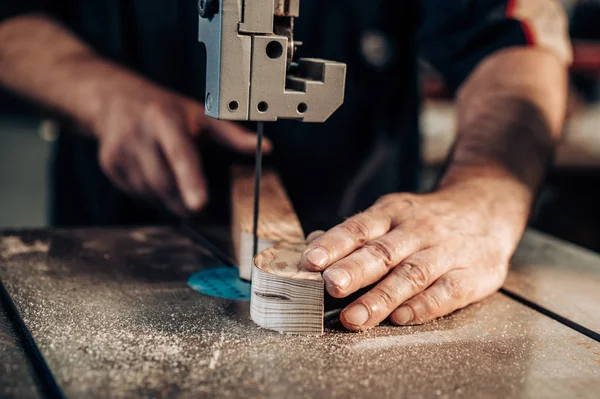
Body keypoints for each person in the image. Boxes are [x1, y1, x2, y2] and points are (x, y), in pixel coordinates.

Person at [0, 1, 571, 332]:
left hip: (359, 230)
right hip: (112, 230)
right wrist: (100, 94)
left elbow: (512, 45)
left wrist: (485, 190)